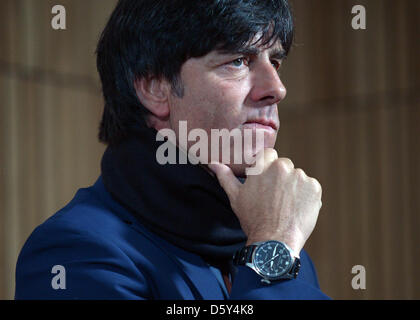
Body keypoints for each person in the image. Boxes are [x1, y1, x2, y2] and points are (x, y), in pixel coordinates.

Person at [15, 0, 329, 299]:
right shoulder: (75, 253)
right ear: (155, 88)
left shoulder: (280, 238)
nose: (277, 88)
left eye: (275, 61)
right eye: (238, 61)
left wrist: (273, 244)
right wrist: (272, 250)